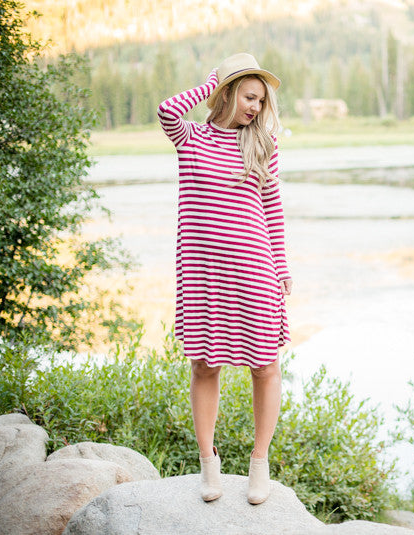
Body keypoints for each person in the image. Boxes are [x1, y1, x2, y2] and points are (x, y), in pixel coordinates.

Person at [157, 53, 292, 504]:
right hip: (203, 273)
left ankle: (259, 464)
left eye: (261, 99)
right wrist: (210, 83)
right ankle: (208, 465)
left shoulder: (262, 144)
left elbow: (271, 211)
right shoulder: (191, 137)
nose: (255, 107)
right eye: (248, 96)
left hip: (255, 268)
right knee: (204, 364)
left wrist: (283, 266)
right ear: (228, 91)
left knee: (265, 365)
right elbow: (166, 110)